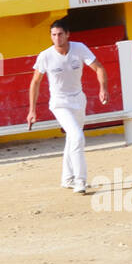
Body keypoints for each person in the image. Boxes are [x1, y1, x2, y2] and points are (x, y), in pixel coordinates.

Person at [27, 17, 108, 195]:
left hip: (79, 100)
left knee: (73, 138)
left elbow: (99, 68)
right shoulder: (45, 56)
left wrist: (103, 88)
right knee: (77, 136)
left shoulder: (79, 48)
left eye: (60, 34)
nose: (57, 38)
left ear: (67, 35)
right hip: (59, 102)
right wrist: (32, 110)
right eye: (53, 35)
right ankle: (80, 181)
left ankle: (67, 178)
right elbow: (35, 82)